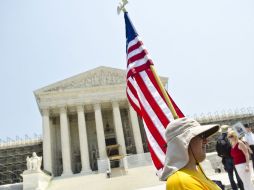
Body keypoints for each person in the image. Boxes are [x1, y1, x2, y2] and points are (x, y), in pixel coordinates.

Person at [159, 117, 221, 190]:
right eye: (202, 136)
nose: (206, 141)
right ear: (184, 142)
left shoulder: (192, 174)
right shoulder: (182, 181)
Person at [216, 125, 244, 190]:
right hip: (234, 158)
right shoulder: (231, 137)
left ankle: (234, 188)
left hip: (226, 159)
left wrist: (222, 156)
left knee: (230, 175)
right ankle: (242, 188)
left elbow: (217, 150)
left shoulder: (219, 139)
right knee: (238, 175)